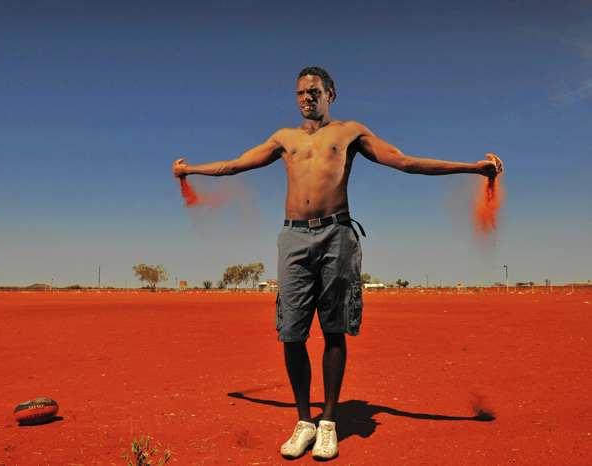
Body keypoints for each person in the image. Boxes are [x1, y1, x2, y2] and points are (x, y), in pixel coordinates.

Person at [173, 66, 503, 461]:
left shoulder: (350, 132)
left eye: (313, 91)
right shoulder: (284, 139)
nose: (306, 98)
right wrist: (189, 170)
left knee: (333, 329)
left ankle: (327, 423)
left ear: (331, 93)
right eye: (299, 92)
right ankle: (304, 422)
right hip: (293, 236)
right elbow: (236, 165)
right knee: (291, 333)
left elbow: (404, 161)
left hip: (337, 235)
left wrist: (472, 167)